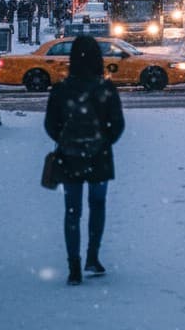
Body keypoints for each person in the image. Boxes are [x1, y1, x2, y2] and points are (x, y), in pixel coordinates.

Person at [44, 35, 125, 285]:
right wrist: (102, 141)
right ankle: (93, 256)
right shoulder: (105, 89)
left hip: (70, 157)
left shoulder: (61, 89)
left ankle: (74, 266)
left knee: (72, 211)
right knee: (97, 206)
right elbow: (117, 125)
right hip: (99, 156)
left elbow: (50, 125)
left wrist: (66, 141)